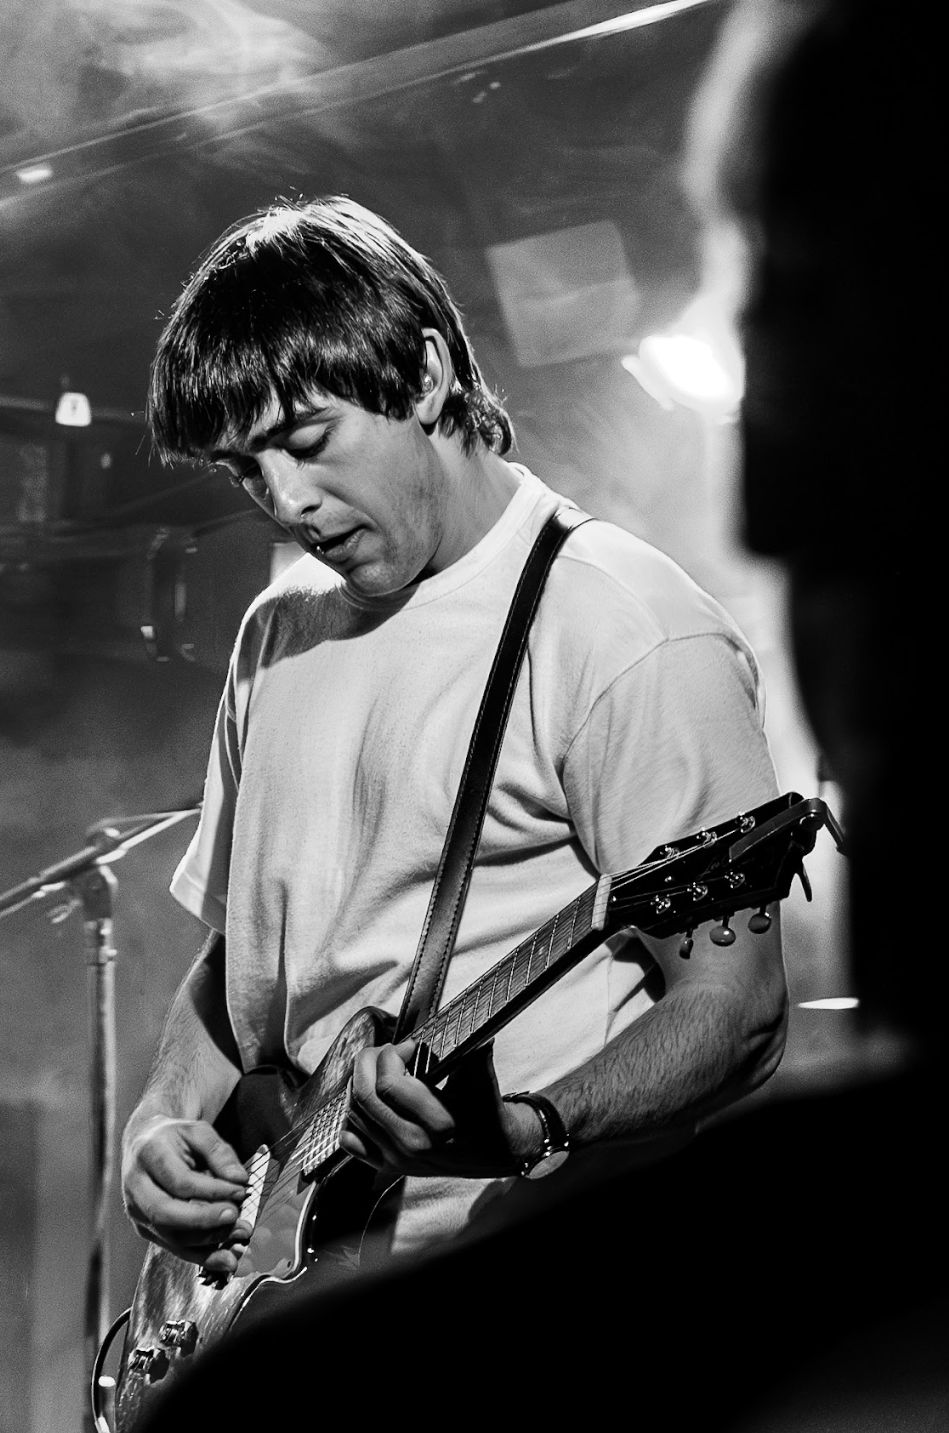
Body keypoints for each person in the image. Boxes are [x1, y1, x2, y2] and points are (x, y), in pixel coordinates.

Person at [120, 195, 786, 1283]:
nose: (285, 499)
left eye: (305, 439)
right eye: (246, 469)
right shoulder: (276, 629)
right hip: (293, 1283)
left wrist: (532, 1121)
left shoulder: (621, 626)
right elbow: (242, 954)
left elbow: (739, 1008)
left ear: (425, 378)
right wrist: (161, 1121)